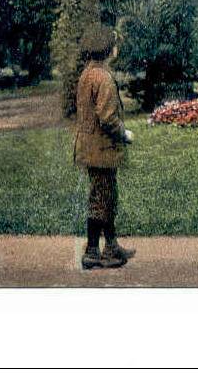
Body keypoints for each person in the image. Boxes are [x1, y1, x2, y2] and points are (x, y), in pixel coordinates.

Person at [74, 24, 135, 270]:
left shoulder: (88, 73)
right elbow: (108, 117)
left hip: (90, 146)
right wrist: (125, 133)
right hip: (102, 149)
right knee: (102, 199)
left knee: (104, 196)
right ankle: (93, 251)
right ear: (109, 49)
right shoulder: (104, 77)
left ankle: (110, 246)